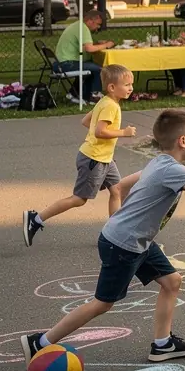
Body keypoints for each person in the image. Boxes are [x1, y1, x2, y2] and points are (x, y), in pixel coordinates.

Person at [21, 109, 185, 365]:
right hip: (124, 244)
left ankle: (162, 344)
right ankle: (41, 342)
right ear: (183, 141)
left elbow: (122, 185)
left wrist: (127, 219)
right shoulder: (174, 171)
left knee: (171, 281)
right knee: (102, 303)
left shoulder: (159, 161)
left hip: (135, 241)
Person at [22, 64, 137, 247]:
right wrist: (124, 132)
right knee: (79, 199)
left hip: (103, 157)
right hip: (94, 160)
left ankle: (114, 234)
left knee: (117, 190)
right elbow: (100, 131)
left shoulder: (105, 101)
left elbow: (86, 121)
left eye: (131, 84)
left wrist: (103, 144)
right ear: (112, 87)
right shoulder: (111, 107)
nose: (131, 88)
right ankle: (36, 219)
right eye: (126, 84)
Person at [53, 8, 114, 103]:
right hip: (67, 64)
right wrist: (106, 45)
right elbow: (89, 49)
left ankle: (74, 93)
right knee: (97, 69)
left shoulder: (77, 25)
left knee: (90, 66)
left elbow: (84, 46)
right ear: (91, 20)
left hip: (60, 63)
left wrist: (97, 43)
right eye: (98, 24)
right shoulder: (83, 28)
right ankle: (94, 94)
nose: (98, 27)